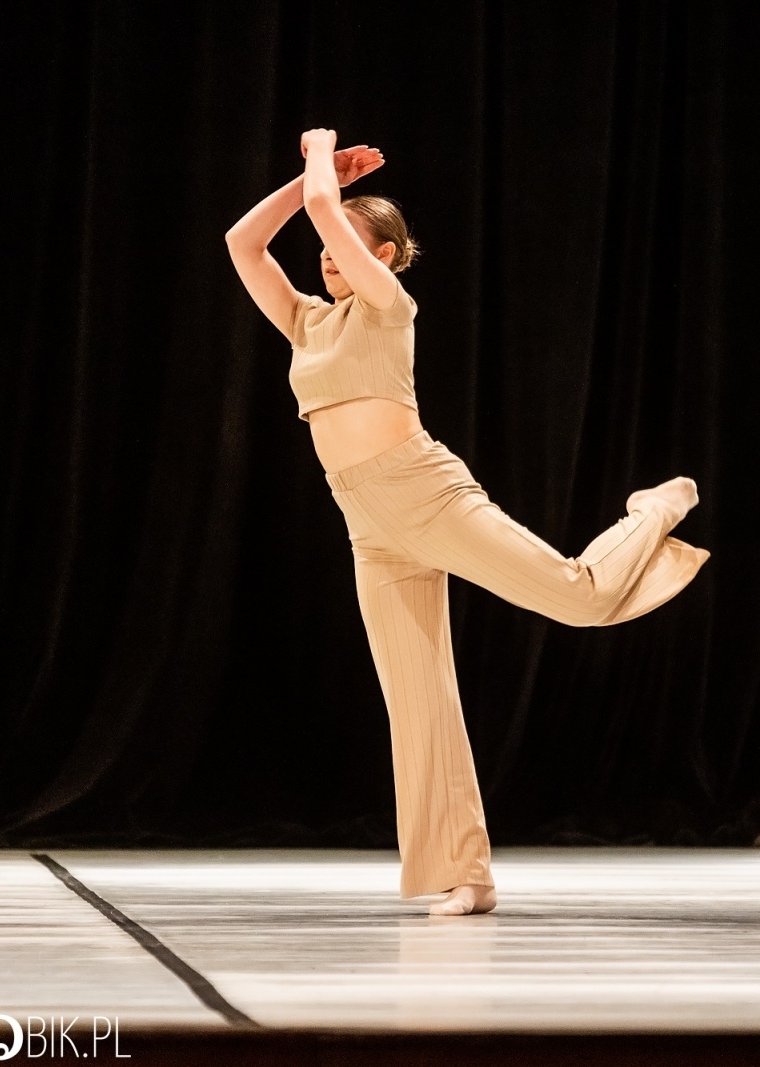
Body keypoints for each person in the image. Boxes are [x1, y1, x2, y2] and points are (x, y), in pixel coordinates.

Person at [225, 129, 708, 915]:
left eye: (343, 248)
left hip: (425, 492)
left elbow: (322, 208)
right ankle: (467, 875)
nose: (326, 258)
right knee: (418, 703)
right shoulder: (308, 322)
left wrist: (323, 161)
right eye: (323, 252)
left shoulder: (388, 307)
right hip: (368, 522)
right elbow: (243, 243)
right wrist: (305, 178)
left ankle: (654, 509)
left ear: (381, 257)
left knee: (579, 598)